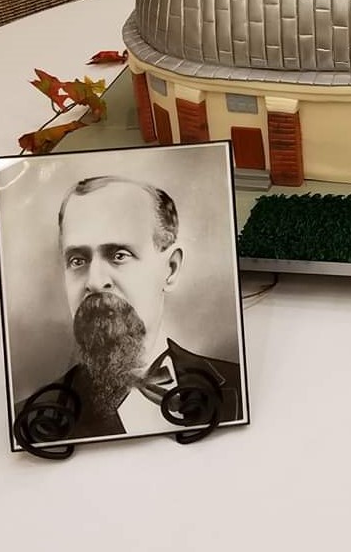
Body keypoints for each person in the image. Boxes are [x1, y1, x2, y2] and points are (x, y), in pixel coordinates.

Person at [20, 175, 242, 442]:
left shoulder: (236, 385)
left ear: (170, 269)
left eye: (119, 255)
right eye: (77, 260)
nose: (94, 281)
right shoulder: (35, 419)